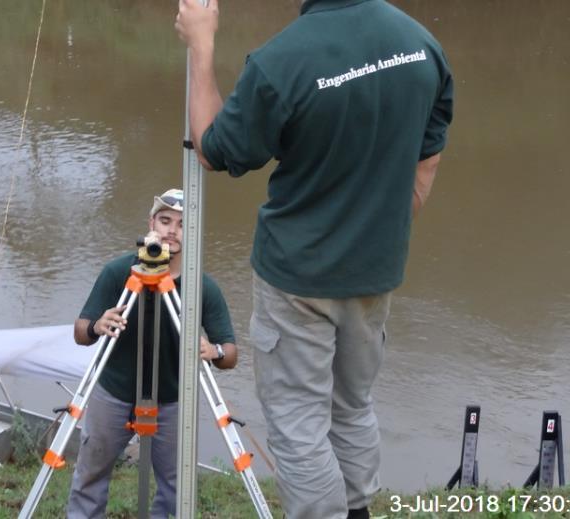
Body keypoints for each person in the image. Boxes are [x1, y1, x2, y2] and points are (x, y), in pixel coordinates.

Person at [175, 1, 453, 518]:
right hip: (376, 274)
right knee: (351, 408)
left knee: (299, 424)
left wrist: (201, 44)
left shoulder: (282, 61)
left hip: (297, 279)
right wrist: (377, 234)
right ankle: (356, 511)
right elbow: (428, 155)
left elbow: (213, 148)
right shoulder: (421, 45)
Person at [66, 188, 238, 519]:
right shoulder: (119, 273)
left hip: (173, 400)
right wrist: (97, 325)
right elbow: (79, 332)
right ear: (151, 224)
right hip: (113, 392)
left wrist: (212, 350)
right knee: (89, 475)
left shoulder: (202, 286)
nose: (172, 231)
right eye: (165, 220)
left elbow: (230, 355)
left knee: (177, 486)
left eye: (182, 224)